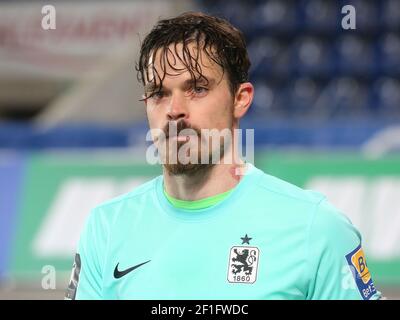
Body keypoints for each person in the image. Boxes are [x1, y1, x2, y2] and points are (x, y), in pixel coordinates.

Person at [66, 12, 382, 300]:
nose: (174, 110)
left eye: (198, 89)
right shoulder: (105, 228)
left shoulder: (317, 228)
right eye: (159, 93)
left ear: (240, 99)